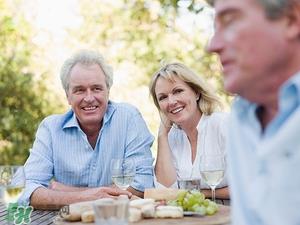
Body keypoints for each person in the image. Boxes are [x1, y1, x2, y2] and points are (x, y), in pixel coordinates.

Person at [20, 50, 154, 209]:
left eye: (96, 88)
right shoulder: (50, 129)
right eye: (79, 90)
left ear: (108, 91)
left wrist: (67, 192)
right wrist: (89, 196)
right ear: (68, 96)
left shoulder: (129, 118)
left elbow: (141, 185)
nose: (89, 98)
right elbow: (28, 189)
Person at [207, 0, 300, 224]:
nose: (213, 45)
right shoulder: (242, 115)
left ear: (290, 20)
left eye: (230, 21)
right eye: (214, 29)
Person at [149, 62, 229, 199]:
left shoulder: (223, 125)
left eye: (178, 91)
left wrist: (197, 193)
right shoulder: (172, 136)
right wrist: (162, 135)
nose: (171, 101)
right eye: (163, 97)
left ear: (196, 92)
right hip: (191, 218)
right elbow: (166, 189)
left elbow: (250, 185)